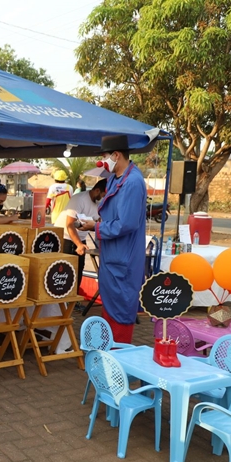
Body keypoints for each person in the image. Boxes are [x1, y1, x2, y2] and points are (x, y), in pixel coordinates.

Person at [80, 135, 147, 343]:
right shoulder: (113, 180)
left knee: (120, 310)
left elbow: (126, 223)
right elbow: (113, 215)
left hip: (124, 257)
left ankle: (118, 361)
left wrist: (96, 226)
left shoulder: (133, 182)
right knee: (109, 309)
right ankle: (107, 358)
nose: (103, 161)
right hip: (111, 255)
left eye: (105, 156)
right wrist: (96, 220)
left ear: (116, 155)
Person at [55, 179, 107, 295]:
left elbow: (98, 222)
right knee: (64, 272)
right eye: (103, 195)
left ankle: (73, 300)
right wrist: (78, 244)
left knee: (78, 270)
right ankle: (62, 302)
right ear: (97, 190)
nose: (103, 198)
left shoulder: (98, 204)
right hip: (66, 237)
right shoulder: (79, 199)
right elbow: (70, 224)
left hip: (81, 239)